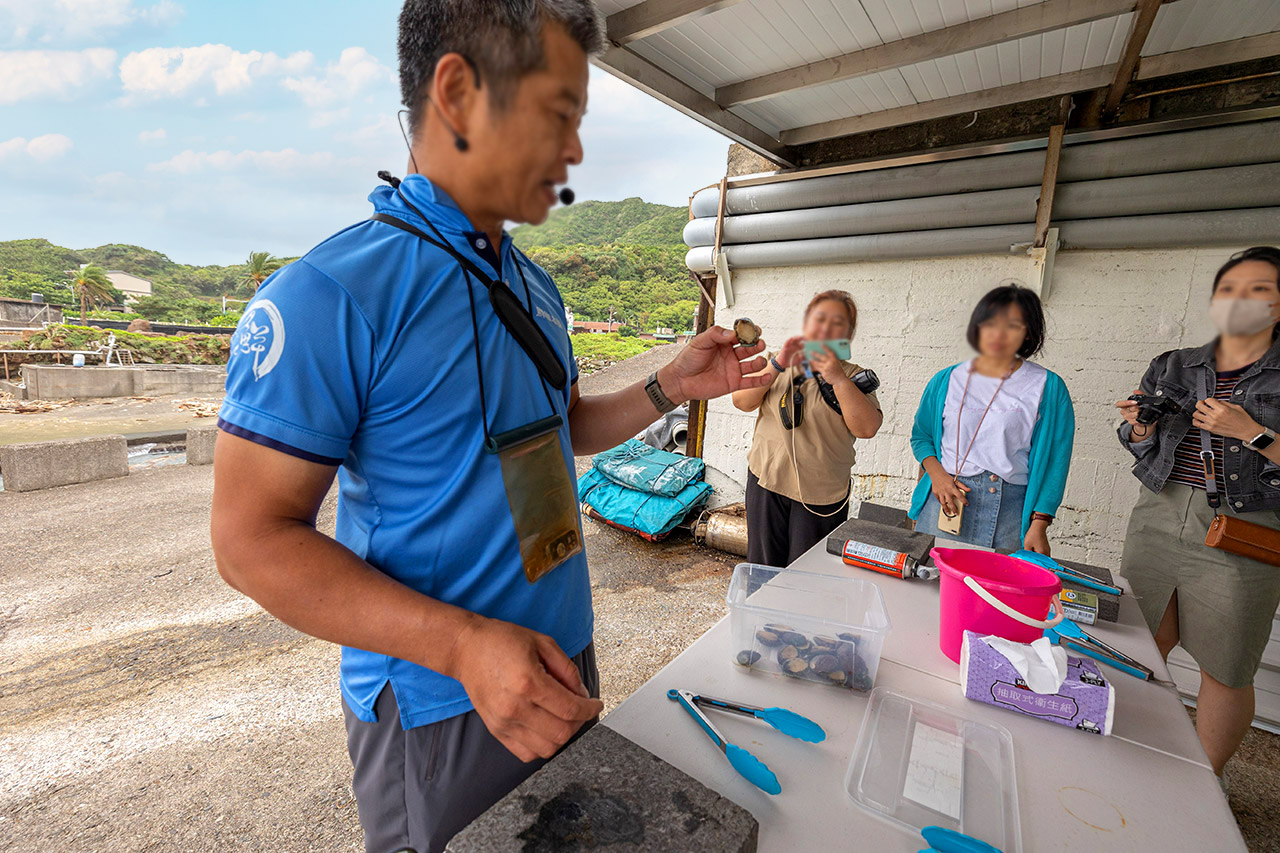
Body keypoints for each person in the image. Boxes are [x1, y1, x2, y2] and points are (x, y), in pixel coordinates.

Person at [208, 3, 770, 852]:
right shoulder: (327, 295)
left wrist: (666, 385)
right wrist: (463, 644)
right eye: (557, 115)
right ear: (459, 91)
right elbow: (248, 540)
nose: (575, 152)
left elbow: (561, 425)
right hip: (443, 695)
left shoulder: (534, 288)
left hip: (557, 659)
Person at [1116, 246, 1280, 781]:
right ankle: (1127, 757)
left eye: (1259, 289)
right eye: (1230, 288)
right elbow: (1140, 442)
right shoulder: (1175, 364)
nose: (1240, 301)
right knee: (1140, 642)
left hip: (1245, 526)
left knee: (1226, 667)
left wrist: (1248, 432)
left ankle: (1202, 783)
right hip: (1158, 514)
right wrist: (1141, 425)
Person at [910, 284, 1075, 554]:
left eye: (1012, 325)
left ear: (1028, 332)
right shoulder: (946, 379)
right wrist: (938, 476)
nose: (998, 333)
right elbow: (922, 437)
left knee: (996, 594)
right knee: (931, 589)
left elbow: (1057, 460)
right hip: (946, 501)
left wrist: (1040, 522)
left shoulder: (1048, 386)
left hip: (1010, 512)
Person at [731, 290, 883, 567]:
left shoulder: (853, 376)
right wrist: (778, 365)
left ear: (848, 335)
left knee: (807, 572)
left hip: (821, 494)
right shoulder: (776, 361)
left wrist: (836, 378)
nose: (825, 327)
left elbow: (867, 428)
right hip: (767, 481)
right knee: (761, 566)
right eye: (819, 318)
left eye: (837, 322)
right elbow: (741, 401)